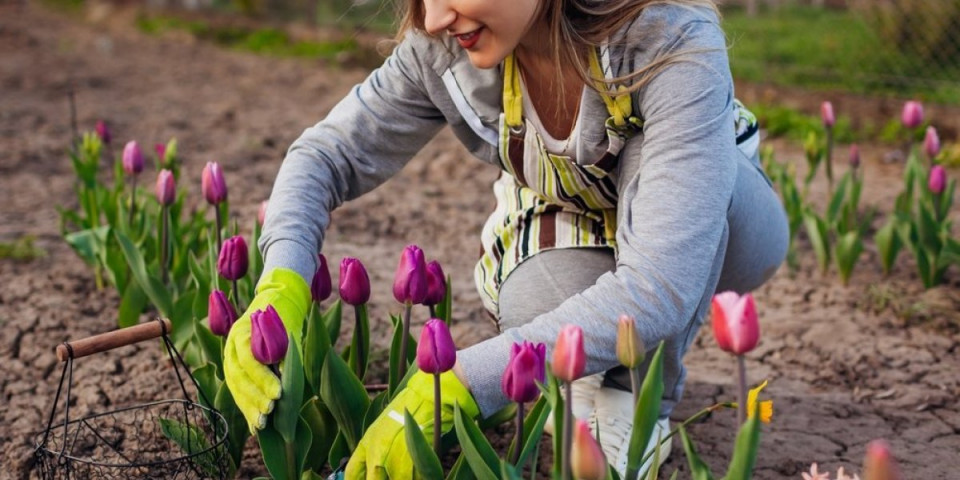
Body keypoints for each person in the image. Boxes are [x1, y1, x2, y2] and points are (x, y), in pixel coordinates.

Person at [223, 0, 789, 477]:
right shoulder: (444, 48)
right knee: (532, 309)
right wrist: (283, 282)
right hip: (572, 210)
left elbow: (664, 280)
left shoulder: (668, 38)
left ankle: (641, 397)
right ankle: (597, 379)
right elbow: (324, 155)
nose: (435, 15)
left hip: (718, 224)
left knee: (659, 234)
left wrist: (461, 382)